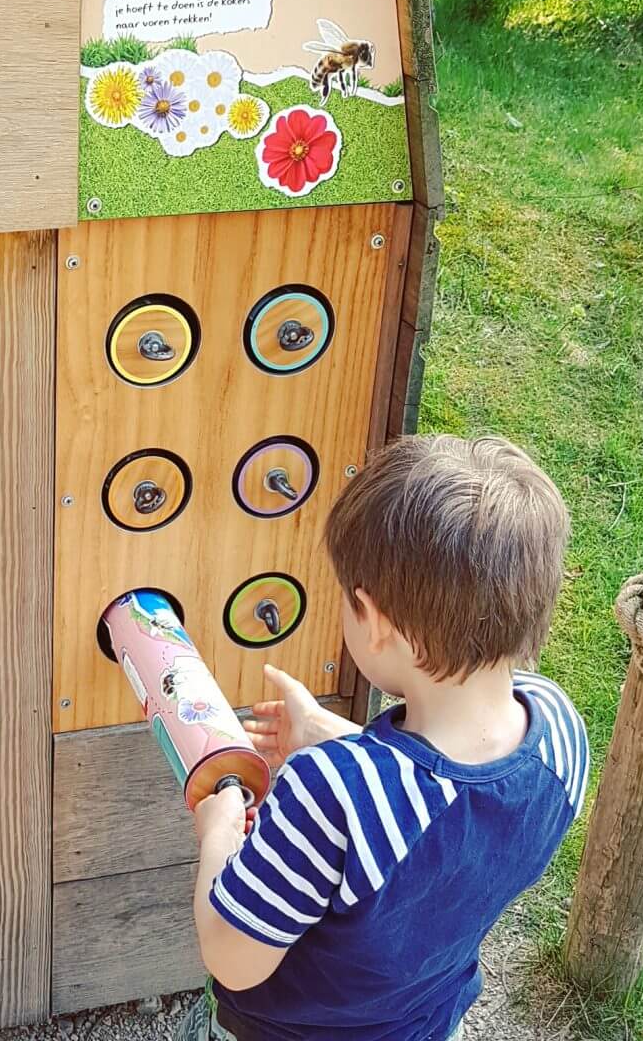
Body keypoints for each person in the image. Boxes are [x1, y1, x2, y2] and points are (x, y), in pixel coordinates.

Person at [179, 435, 588, 1041]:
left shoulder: (330, 796)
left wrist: (217, 832)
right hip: (423, 1016)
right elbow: (447, 799)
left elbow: (233, 958)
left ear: (373, 621)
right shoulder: (559, 732)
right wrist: (327, 734)